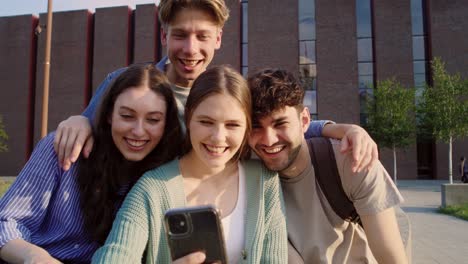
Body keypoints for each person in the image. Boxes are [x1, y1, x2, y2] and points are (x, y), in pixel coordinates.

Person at [53, 0, 378, 173]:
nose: (190, 49)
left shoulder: (231, 95)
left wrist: (341, 129)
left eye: (203, 36)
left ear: (219, 39)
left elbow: (280, 126)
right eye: (180, 35)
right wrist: (79, 119)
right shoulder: (124, 84)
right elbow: (90, 130)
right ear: (164, 35)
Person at [92, 66, 287, 263]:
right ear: (188, 117)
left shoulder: (264, 182)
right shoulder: (152, 188)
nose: (218, 137)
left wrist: (320, 127)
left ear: (247, 126)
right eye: (206, 122)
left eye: (232, 125)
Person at [0, 64, 183, 263]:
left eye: (153, 120)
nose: (138, 131)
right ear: (109, 115)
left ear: (166, 123)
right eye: (127, 116)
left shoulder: (164, 176)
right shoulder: (63, 149)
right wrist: (34, 256)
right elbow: (7, 221)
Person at [247, 68, 408, 264]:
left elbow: (392, 257)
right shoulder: (250, 178)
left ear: (304, 120)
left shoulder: (351, 160)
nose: (269, 139)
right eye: (256, 126)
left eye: (280, 124)